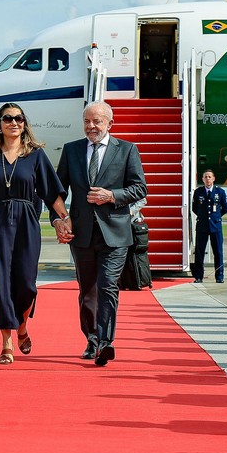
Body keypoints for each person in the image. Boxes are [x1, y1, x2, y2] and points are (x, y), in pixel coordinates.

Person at [0, 103, 66, 365]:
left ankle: (22, 325)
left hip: (26, 222)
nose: (14, 123)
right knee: (1, 284)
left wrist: (65, 218)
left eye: (19, 118)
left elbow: (51, 192)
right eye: (8, 118)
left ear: (25, 123)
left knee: (26, 283)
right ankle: (6, 343)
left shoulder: (35, 155)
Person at [53, 101, 147, 366]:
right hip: (81, 234)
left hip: (115, 233)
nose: (91, 127)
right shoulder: (72, 151)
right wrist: (58, 220)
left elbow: (139, 188)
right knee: (87, 291)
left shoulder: (127, 150)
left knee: (107, 286)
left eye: (97, 121)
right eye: (87, 122)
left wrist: (112, 195)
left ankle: (105, 342)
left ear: (109, 124)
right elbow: (58, 192)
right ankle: (91, 339)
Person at [191, 169, 227, 283]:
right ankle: (198, 276)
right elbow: (195, 208)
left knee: (218, 252)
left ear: (213, 179)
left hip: (215, 226)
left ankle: (219, 277)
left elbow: (225, 208)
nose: (207, 179)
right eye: (205, 177)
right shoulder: (198, 192)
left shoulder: (220, 192)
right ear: (202, 179)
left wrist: (215, 217)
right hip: (202, 225)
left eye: (209, 177)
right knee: (199, 252)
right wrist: (203, 216)